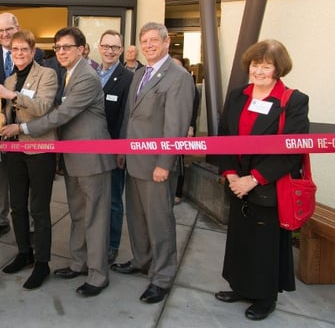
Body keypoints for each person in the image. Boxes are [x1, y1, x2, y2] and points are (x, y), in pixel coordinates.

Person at [215, 39, 308, 321]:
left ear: (278, 70)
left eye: (266, 66)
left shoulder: (293, 101)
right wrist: (231, 174)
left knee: (265, 246)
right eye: (256, 64)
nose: (259, 71)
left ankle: (265, 298)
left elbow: (292, 152)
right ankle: (241, 287)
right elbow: (224, 139)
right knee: (240, 240)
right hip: (237, 181)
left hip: (267, 185)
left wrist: (252, 179)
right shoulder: (237, 95)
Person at [20, 27, 114, 297]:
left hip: (93, 159)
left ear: (82, 49)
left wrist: (26, 129)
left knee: (95, 218)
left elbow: (63, 114)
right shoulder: (67, 74)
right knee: (78, 215)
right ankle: (79, 262)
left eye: (67, 47)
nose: (61, 52)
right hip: (73, 158)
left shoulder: (87, 76)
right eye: (58, 47)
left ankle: (98, 275)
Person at [111, 22, 194, 304]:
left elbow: (176, 126)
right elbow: (129, 117)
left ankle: (162, 276)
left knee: (159, 222)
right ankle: (142, 259)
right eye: (144, 41)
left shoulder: (178, 77)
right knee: (136, 218)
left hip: (157, 166)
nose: (148, 45)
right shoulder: (140, 74)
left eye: (153, 41)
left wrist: (165, 163)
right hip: (134, 161)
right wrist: (122, 149)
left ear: (166, 42)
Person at [0, 30, 58, 290]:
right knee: (17, 206)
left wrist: (12, 97)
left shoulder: (47, 74)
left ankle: (42, 263)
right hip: (15, 151)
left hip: (40, 149)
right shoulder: (9, 79)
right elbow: (7, 112)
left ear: (33, 51)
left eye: (24, 49)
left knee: (39, 209)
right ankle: (24, 252)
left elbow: (42, 108)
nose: (19, 53)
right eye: (15, 49)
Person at [0, 12, 46, 241]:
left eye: (8, 29)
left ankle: (29, 223)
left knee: (27, 180)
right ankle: (0, 220)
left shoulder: (37, 53)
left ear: (17, 27)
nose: (4, 34)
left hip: (28, 128)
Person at [96, 30, 133, 265]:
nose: (110, 51)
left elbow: (126, 117)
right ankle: (96, 240)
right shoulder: (92, 73)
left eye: (115, 47)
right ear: (99, 47)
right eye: (106, 46)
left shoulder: (128, 77)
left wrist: (121, 149)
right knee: (95, 198)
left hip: (113, 150)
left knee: (113, 201)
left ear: (121, 51)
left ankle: (111, 245)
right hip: (89, 149)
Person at [171, 55, 201, 205]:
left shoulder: (190, 85)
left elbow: (192, 110)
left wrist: (190, 128)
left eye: (178, 65)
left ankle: (178, 193)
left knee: (179, 161)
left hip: (183, 129)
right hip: (169, 129)